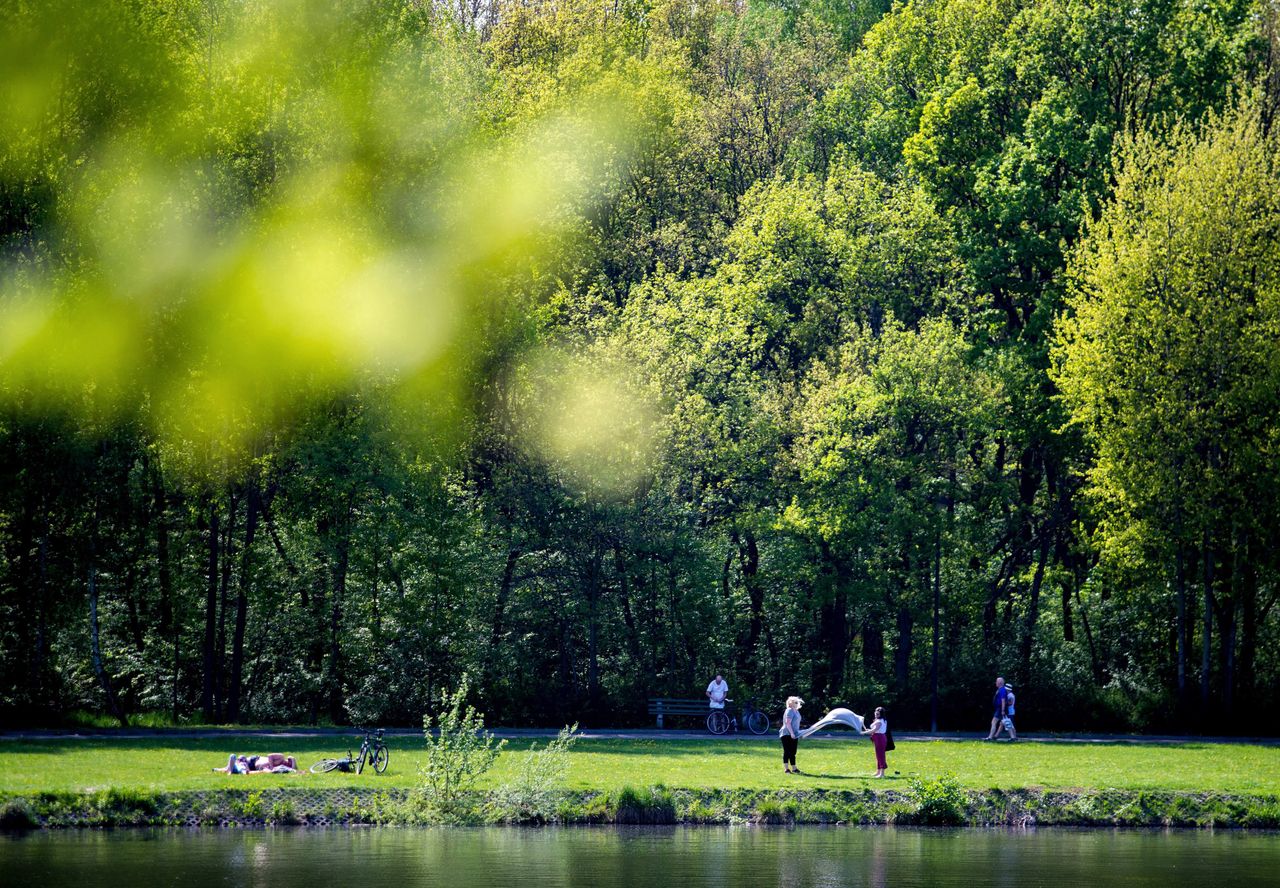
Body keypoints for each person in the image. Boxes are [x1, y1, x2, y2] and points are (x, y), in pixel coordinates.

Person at [862, 706, 889, 778]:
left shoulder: (880, 721)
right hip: (878, 738)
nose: (876, 715)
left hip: (880, 738)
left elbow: (874, 730)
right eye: (875, 713)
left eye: (878, 714)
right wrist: (868, 730)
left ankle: (882, 774)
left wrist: (864, 732)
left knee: (880, 755)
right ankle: (878, 771)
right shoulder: (881, 720)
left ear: (881, 714)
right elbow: (874, 730)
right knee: (878, 755)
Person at [779, 696, 803, 774]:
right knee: (787, 751)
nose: (796, 703)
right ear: (790, 703)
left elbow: (796, 724)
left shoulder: (796, 711)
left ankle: (794, 768)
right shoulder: (789, 710)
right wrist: (791, 733)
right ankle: (786, 769)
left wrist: (799, 734)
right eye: (794, 702)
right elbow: (788, 723)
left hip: (794, 734)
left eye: (797, 702)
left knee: (793, 752)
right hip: (786, 733)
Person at [213, 752, 299, 774]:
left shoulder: (280, 766)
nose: (287, 766)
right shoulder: (281, 757)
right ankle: (224, 770)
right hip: (254, 760)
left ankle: (217, 770)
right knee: (240, 762)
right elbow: (269, 756)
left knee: (236, 768)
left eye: (289, 766)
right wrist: (272, 767)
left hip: (254, 767)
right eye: (289, 764)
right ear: (289, 761)